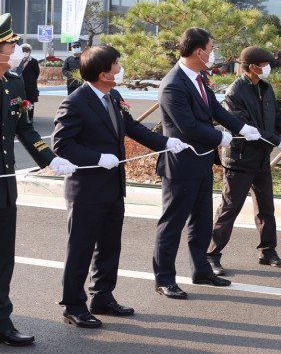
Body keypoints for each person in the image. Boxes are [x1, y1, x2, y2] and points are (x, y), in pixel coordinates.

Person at [51, 45, 187, 328]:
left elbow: (132, 127)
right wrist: (97, 157)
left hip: (113, 185)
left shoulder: (113, 96)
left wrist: (165, 143)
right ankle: (73, 305)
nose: (120, 69)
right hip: (87, 190)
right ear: (103, 74)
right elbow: (62, 145)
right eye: (116, 64)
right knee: (81, 248)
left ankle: (102, 296)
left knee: (109, 246)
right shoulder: (75, 102)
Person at [0, 14, 77, 346]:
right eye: (9, 46)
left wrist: (50, 158)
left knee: (0, 263)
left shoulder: (13, 83)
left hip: (3, 191)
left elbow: (24, 128)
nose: (15, 51)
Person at [153, 27, 259, 299]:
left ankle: (201, 270)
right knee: (172, 224)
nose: (213, 54)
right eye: (211, 49)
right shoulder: (173, 84)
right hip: (181, 165)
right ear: (198, 51)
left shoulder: (199, 77)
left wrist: (242, 128)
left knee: (201, 222)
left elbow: (216, 110)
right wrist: (222, 138)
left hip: (201, 162)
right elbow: (187, 126)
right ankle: (164, 279)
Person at [207, 46, 281, 275]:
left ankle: (268, 251)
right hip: (240, 159)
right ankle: (211, 255)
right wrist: (277, 140)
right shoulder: (235, 92)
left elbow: (278, 120)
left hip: (261, 158)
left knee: (266, 208)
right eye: (265, 65)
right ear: (253, 67)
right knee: (229, 209)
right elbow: (247, 127)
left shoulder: (266, 88)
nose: (269, 68)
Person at [14, 43, 40, 120]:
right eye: (24, 51)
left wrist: (31, 79)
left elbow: (37, 72)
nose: (25, 52)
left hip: (30, 85)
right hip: (19, 83)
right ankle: (22, 117)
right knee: (20, 100)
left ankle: (30, 117)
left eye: (27, 51)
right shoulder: (18, 60)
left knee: (30, 101)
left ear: (30, 52)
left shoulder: (33, 61)